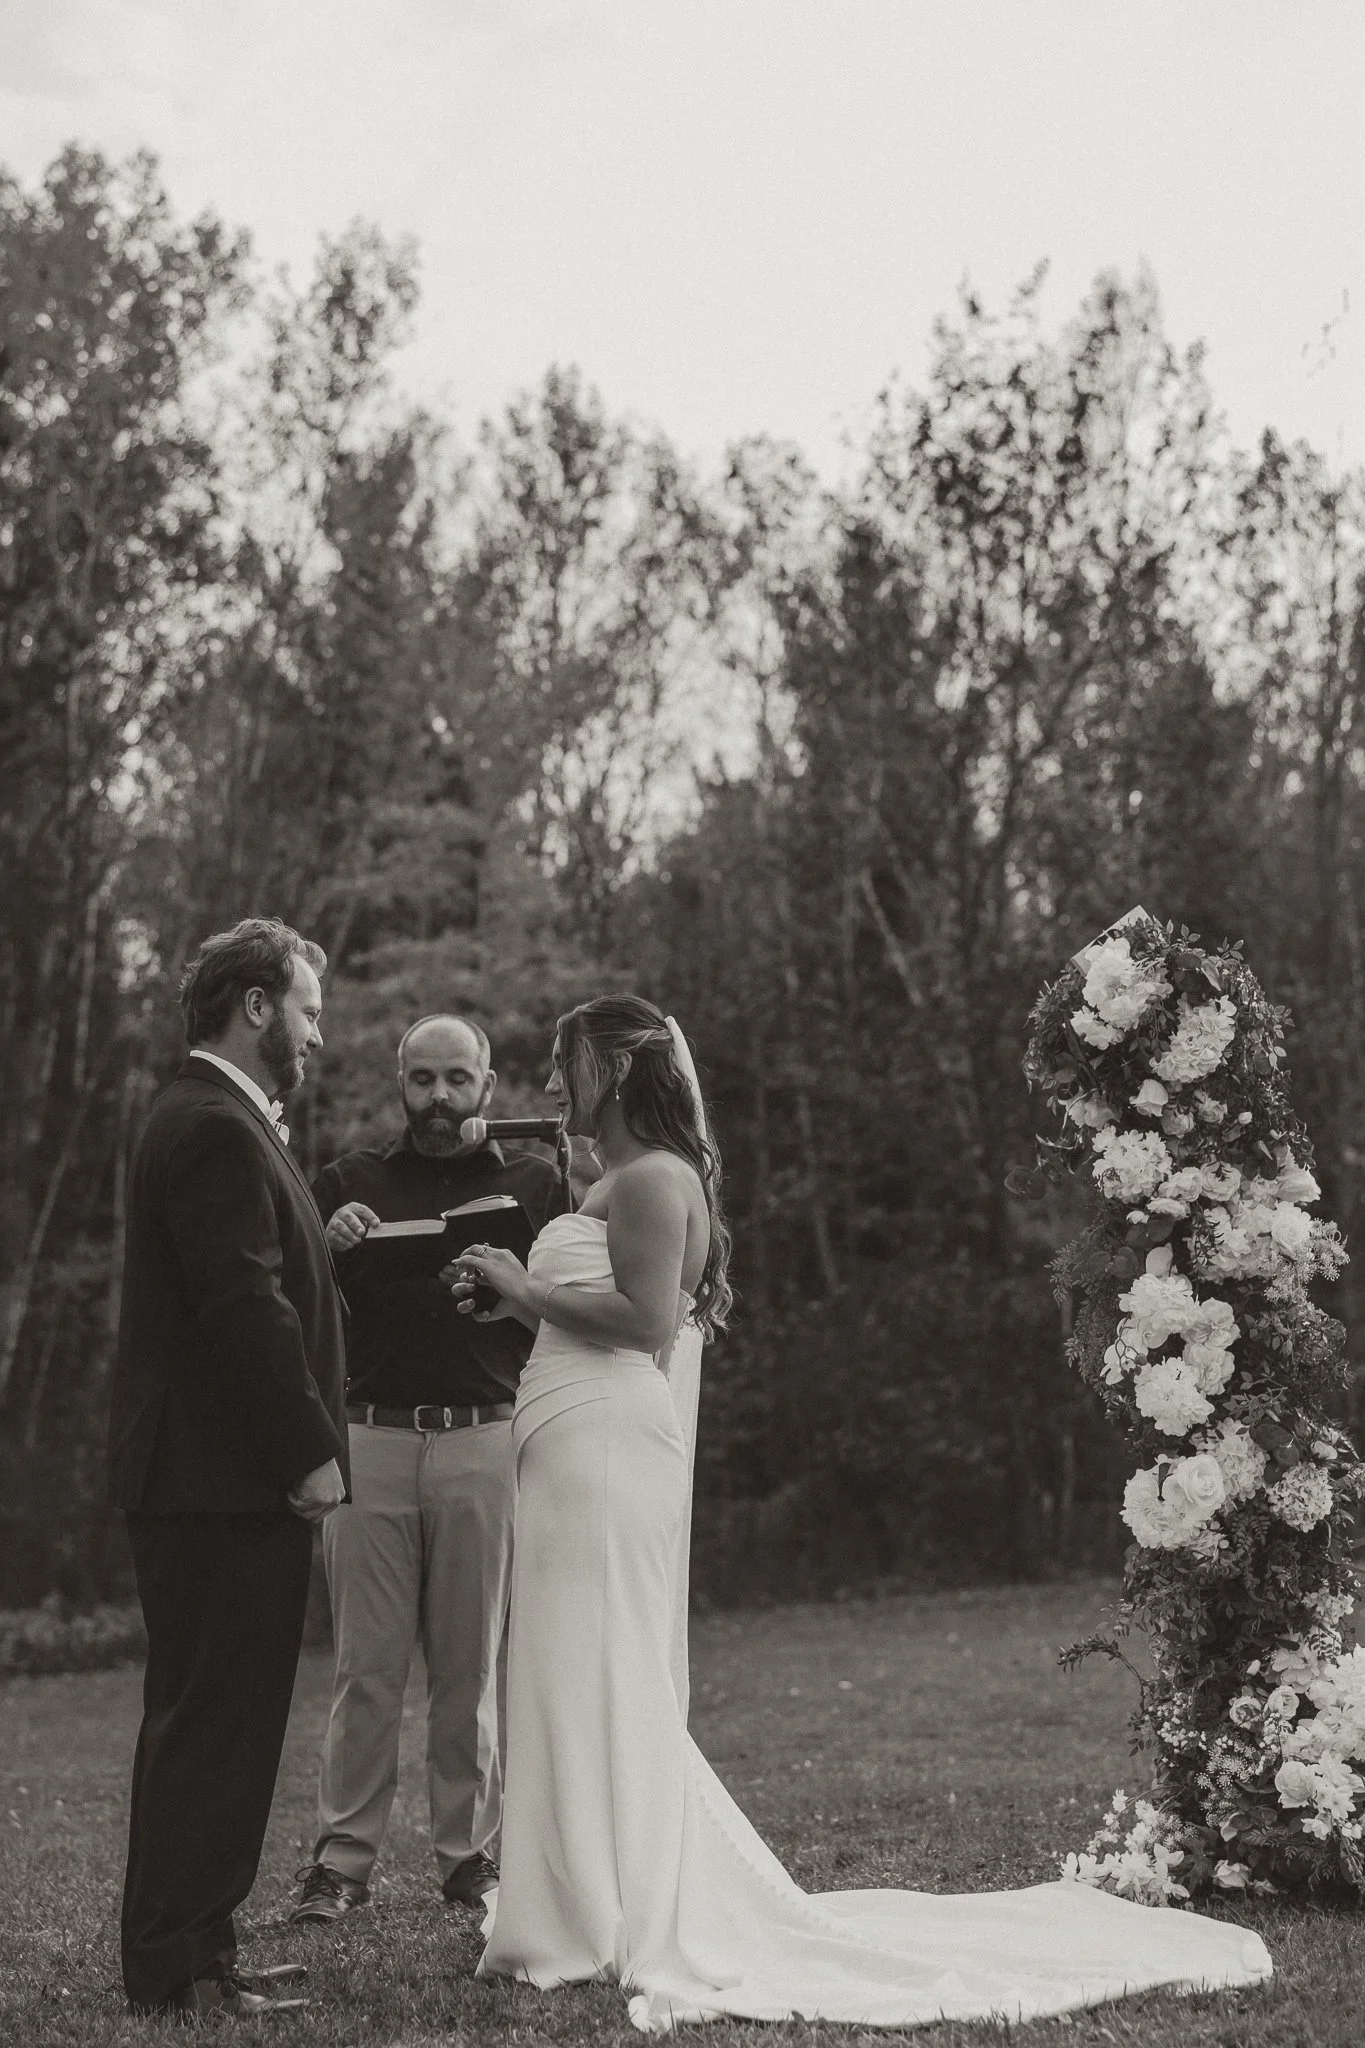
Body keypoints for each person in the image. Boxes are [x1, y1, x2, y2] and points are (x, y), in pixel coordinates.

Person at [454, 995, 1274, 2033]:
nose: (543, 1085)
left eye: (560, 1062)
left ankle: (594, 1908)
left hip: (608, 1450)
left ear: (614, 1069)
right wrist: (518, 1292)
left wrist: (525, 1290)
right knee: (564, 1670)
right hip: (572, 1446)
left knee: (600, 1667)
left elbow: (646, 1320)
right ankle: (575, 1903)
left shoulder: (657, 1179)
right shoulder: (611, 1180)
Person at [106, 918, 349, 2021]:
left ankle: (200, 1942)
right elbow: (243, 1306)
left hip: (206, 1477)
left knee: (211, 1718)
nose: (316, 1032)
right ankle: (181, 1966)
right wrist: (308, 1451)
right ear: (255, 1006)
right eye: (306, 1009)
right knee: (218, 1721)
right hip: (221, 1478)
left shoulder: (213, 1116)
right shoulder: (211, 1125)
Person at [291, 1015, 571, 1926]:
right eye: (423, 1080)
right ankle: (341, 1863)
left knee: (469, 1668)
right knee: (365, 1670)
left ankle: (468, 1858)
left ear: (489, 1085)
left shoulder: (537, 1181)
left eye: (457, 1079)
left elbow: (572, 1315)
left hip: (485, 1436)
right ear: (399, 1083)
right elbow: (296, 1315)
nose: (439, 1099)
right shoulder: (348, 1183)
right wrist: (325, 1250)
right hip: (368, 1437)